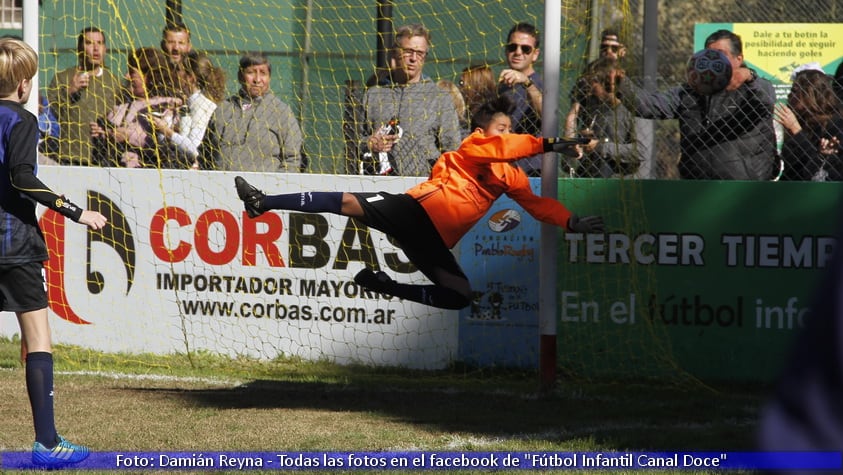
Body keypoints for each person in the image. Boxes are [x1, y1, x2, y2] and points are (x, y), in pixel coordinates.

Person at [233, 96, 603, 310]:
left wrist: (570, 222)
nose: (506, 135)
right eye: (501, 128)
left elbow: (538, 206)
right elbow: (507, 146)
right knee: (345, 202)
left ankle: (385, 286)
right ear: (484, 130)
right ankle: (262, 201)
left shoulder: (514, 177)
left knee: (459, 296)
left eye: (509, 128)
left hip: (432, 240)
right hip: (414, 212)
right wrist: (548, 143)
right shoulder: (475, 146)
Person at [0, 37, 108, 467]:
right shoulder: (22, 120)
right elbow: (23, 178)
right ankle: (47, 443)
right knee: (38, 339)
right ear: (24, 84)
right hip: (15, 245)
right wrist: (75, 212)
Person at [615, 29, 776, 180]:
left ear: (738, 59)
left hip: (745, 189)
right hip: (695, 188)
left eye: (720, 55)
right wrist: (621, 84)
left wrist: (749, 76)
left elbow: (767, 100)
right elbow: (649, 106)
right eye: (709, 55)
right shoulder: (689, 91)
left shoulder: (754, 89)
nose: (713, 62)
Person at [361, 23, 461, 176]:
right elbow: (354, 140)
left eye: (420, 53)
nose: (414, 58)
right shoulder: (374, 94)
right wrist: (369, 143)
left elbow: (452, 148)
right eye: (408, 51)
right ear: (395, 53)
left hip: (423, 184)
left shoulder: (439, 97)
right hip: (376, 182)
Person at [90, 47, 186, 168]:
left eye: (132, 72)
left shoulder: (169, 106)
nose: (127, 76)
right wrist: (102, 133)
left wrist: (128, 136)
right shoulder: (121, 106)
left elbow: (166, 143)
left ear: (149, 76)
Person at [209, 52, 304, 172]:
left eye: (263, 73)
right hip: (220, 186)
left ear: (269, 77)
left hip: (263, 188)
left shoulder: (281, 112)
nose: (257, 80)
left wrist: (274, 187)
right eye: (251, 72)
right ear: (240, 76)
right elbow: (205, 152)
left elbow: (293, 159)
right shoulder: (223, 109)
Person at [47, 26, 124, 166]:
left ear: (105, 48)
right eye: (89, 43)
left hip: (104, 158)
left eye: (100, 43)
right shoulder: (63, 78)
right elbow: (54, 112)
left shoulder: (115, 83)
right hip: (70, 156)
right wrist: (70, 91)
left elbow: (122, 118)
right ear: (80, 48)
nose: (95, 48)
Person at [571, 58, 653, 178]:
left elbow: (641, 151)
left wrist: (600, 146)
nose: (589, 94)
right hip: (593, 177)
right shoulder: (595, 107)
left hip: (621, 182)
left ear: (607, 84)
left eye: (592, 87)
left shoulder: (634, 109)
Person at [147, 50, 225, 169]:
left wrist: (167, 131)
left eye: (179, 70)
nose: (175, 74)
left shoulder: (202, 105)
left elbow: (194, 148)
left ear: (190, 78)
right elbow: (167, 142)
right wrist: (166, 120)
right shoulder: (186, 104)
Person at [774, 69, 842, 181]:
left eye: (795, 90)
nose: (790, 95)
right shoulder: (801, 121)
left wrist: (797, 131)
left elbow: (822, 169)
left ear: (810, 93)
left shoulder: (834, 125)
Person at [498, 22, 543, 176]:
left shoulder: (539, 84)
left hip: (531, 171)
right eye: (513, 47)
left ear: (535, 54)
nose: (518, 52)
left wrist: (526, 82)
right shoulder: (502, 85)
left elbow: (549, 116)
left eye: (525, 49)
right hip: (502, 169)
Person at [564, 28, 627, 139]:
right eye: (604, 47)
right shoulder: (590, 73)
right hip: (592, 133)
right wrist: (570, 141)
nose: (608, 52)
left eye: (614, 48)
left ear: (623, 51)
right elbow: (574, 111)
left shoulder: (629, 76)